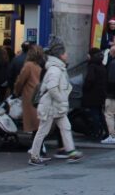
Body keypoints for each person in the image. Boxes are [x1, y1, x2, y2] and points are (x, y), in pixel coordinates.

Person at [28, 38, 83, 166]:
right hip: (51, 106)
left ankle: (71, 152)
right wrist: (62, 99)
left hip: (55, 106)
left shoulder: (56, 68)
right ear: (60, 55)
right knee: (43, 131)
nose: (67, 55)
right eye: (65, 53)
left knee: (65, 127)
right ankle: (34, 156)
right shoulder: (55, 70)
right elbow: (52, 88)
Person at [13, 45, 44, 136]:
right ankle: (37, 145)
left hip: (30, 95)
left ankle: (38, 146)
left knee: (33, 122)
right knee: (37, 122)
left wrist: (16, 91)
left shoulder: (28, 65)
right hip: (39, 94)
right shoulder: (40, 65)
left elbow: (20, 81)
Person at [82, 48, 108, 141]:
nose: (87, 56)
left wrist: (85, 88)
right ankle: (104, 131)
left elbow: (90, 80)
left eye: (88, 54)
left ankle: (97, 132)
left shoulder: (92, 66)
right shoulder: (102, 66)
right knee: (100, 113)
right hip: (101, 94)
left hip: (92, 95)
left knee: (95, 114)